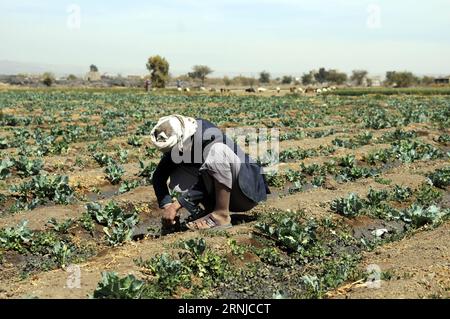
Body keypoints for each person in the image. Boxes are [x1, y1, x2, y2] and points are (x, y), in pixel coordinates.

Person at [150, 115, 270, 231]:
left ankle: (221, 214)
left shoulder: (207, 134)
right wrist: (167, 206)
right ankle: (210, 211)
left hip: (246, 191)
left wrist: (175, 206)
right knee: (177, 169)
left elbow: (205, 178)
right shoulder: (179, 141)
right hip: (227, 192)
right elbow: (159, 176)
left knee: (217, 152)